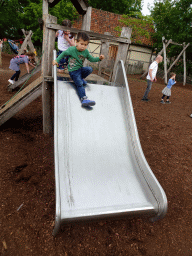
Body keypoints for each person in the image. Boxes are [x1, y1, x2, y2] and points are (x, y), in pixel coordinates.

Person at [53, 31, 105, 107]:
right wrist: (56, 60)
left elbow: (92, 59)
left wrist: (99, 58)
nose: (83, 46)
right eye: (81, 44)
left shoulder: (85, 52)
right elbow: (63, 54)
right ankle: (83, 99)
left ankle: (81, 78)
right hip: (73, 71)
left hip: (80, 70)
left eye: (85, 45)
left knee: (89, 69)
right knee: (80, 84)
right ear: (76, 42)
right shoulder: (71, 49)